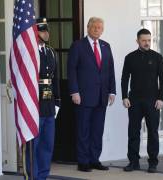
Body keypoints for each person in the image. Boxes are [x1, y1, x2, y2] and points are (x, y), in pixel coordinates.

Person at [67, 17, 116, 172]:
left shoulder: (106, 46)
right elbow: (71, 70)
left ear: (103, 30)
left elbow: (110, 70)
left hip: (102, 96)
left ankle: (94, 159)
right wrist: (74, 91)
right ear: (88, 28)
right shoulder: (78, 46)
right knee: (83, 130)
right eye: (93, 26)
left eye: (99, 27)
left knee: (97, 130)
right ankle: (83, 161)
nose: (96, 29)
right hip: (83, 96)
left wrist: (112, 91)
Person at [121, 28, 163, 173]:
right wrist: (124, 96)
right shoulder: (130, 57)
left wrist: (161, 98)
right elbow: (124, 78)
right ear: (137, 41)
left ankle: (153, 162)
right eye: (144, 40)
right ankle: (133, 162)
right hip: (134, 100)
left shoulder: (158, 57)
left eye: (149, 40)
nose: (147, 43)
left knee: (153, 132)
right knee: (133, 132)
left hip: (153, 101)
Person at [25, 17, 61, 179]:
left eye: (47, 30)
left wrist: (57, 101)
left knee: (47, 143)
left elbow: (56, 79)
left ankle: (43, 175)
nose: (46, 33)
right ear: (35, 32)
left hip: (49, 103)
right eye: (42, 30)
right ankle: (33, 176)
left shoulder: (51, 52)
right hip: (34, 103)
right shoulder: (29, 53)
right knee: (34, 145)